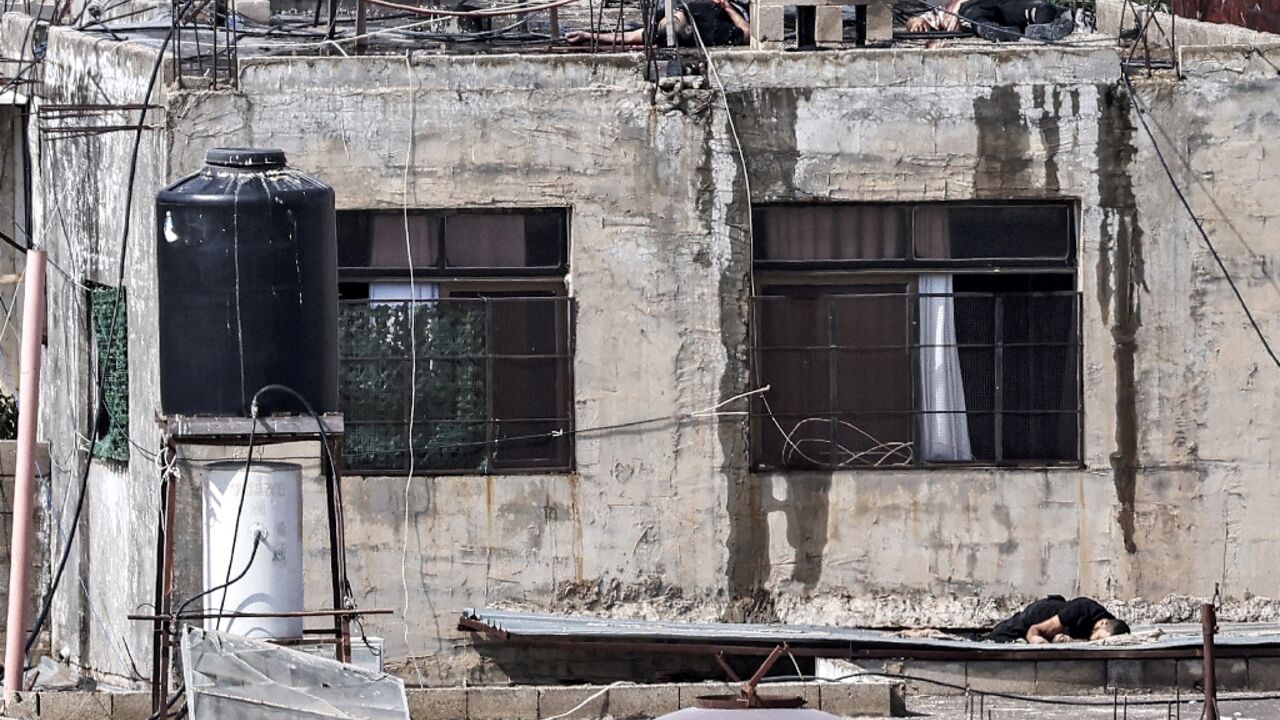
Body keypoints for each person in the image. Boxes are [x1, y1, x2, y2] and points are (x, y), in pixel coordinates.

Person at [565, 0, 750, 47]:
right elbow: (747, 33)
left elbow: (628, 36)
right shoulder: (712, 29)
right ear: (689, 28)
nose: (675, 12)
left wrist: (588, 36)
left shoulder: (661, 29)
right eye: (676, 17)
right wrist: (727, 7)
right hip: (731, 6)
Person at [904, 0, 1074, 41]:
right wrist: (916, 23)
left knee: (1044, 7)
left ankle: (1041, 30)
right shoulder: (946, 8)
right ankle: (995, 31)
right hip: (971, 9)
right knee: (975, 17)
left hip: (1002, 5)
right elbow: (915, 20)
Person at [986, 595, 1131, 643]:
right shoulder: (1082, 609)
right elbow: (1034, 630)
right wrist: (1035, 640)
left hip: (1060, 626)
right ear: (1103, 623)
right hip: (1039, 615)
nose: (1096, 642)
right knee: (996, 638)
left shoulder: (1116, 628)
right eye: (1098, 638)